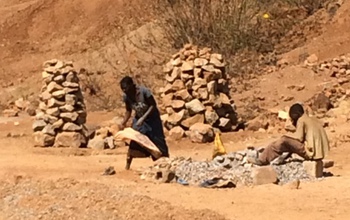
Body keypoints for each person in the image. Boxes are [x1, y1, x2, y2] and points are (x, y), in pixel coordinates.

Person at [250, 103, 330, 165]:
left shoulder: (301, 120)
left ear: (297, 114)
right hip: (318, 153)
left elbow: (299, 138)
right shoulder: (312, 119)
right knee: (288, 143)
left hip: (311, 153)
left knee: (283, 140)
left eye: (292, 116)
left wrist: (286, 136)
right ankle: (277, 157)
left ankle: (262, 160)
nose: (292, 119)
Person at [119, 76, 169, 170]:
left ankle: (164, 163)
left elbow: (153, 105)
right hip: (139, 121)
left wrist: (143, 118)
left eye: (127, 89)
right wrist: (123, 122)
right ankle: (127, 166)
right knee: (136, 140)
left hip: (152, 120)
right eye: (123, 90)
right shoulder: (126, 96)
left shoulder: (144, 92)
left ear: (132, 86)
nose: (125, 91)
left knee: (158, 141)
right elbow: (128, 111)